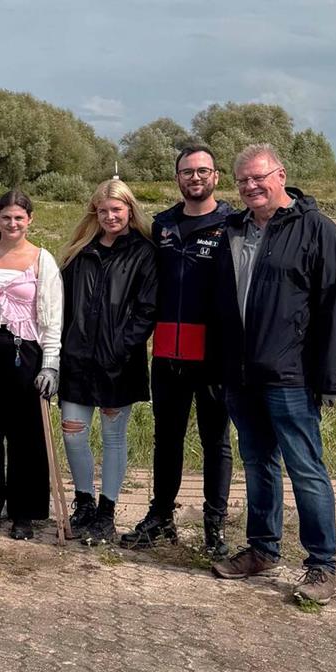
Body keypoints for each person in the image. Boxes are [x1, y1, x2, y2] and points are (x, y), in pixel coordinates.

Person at [208, 144, 336, 605]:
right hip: (241, 375)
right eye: (242, 181)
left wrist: (332, 378)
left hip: (291, 376)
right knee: (258, 464)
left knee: (306, 469)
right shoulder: (233, 229)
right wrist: (219, 366)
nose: (250, 186)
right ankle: (263, 550)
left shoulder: (317, 229)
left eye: (258, 177)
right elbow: (220, 305)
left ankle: (322, 565)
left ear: (281, 175)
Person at [121, 144, 233, 555]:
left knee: (215, 441)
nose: (195, 177)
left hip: (214, 354)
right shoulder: (162, 226)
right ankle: (160, 517)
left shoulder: (233, 224)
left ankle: (215, 525)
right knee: (166, 438)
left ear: (216, 176)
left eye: (203, 171)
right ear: (177, 178)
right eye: (187, 172)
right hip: (168, 351)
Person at [58, 178, 157, 544]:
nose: (110, 216)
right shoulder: (79, 252)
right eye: (103, 211)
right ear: (95, 213)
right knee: (73, 434)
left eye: (117, 209)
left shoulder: (144, 253)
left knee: (114, 437)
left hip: (119, 362)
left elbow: (147, 310)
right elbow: (62, 305)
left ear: (129, 209)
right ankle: (84, 502)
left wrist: (120, 347)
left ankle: (106, 511)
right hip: (77, 359)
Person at [0, 190, 62, 537]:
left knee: (26, 436)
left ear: (30, 219)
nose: (12, 223)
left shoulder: (42, 259)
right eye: (6, 217)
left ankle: (24, 513)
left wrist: (50, 364)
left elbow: (52, 316)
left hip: (24, 353)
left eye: (19, 217)